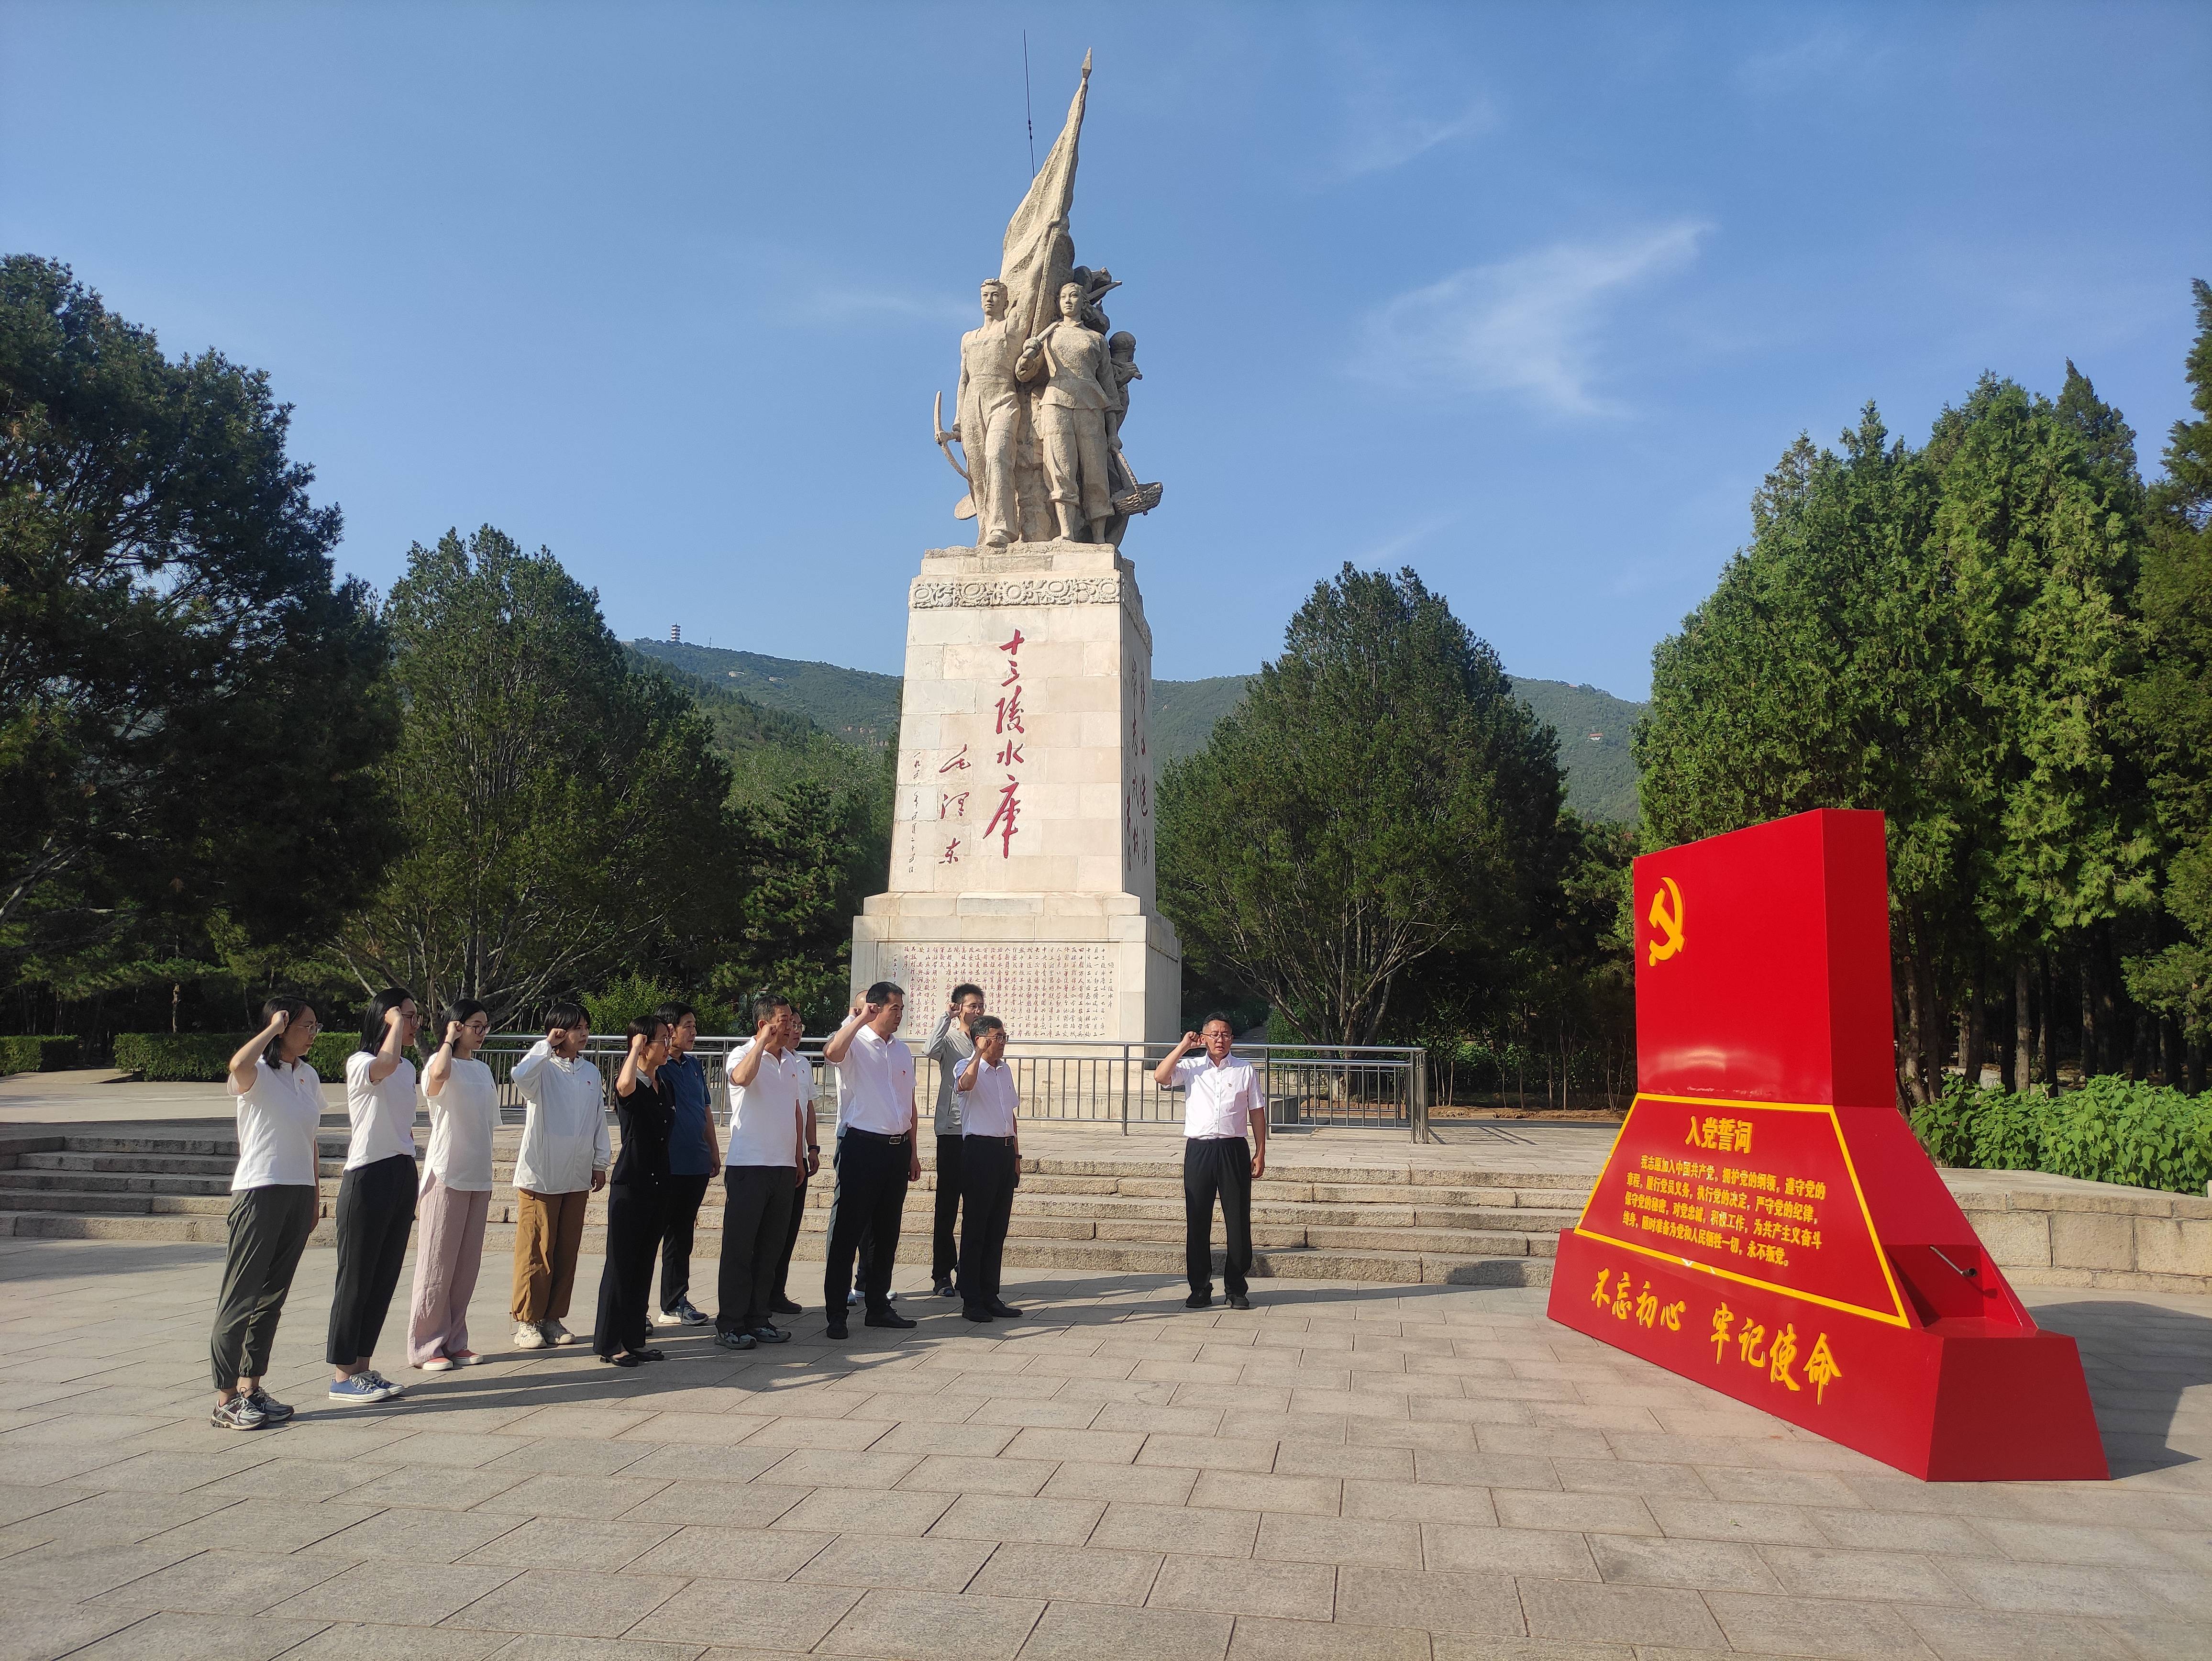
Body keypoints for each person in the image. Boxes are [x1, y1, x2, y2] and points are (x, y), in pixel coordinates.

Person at [209, 999, 322, 1429]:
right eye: (305, 1026)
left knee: (272, 1299)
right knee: (241, 1298)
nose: (313, 1033)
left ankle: (250, 1388)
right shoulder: (258, 1073)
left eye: (316, 1026)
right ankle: (225, 1398)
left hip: (297, 1192)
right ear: (281, 1028)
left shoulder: (307, 1076)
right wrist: (271, 1028)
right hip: (258, 1191)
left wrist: (314, 1197)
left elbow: (310, 1140)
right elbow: (237, 1063)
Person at [327, 988, 420, 1403]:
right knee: (357, 1278)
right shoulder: (363, 1063)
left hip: (401, 1169)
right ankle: (343, 1374)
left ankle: (363, 1367)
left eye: (416, 1017)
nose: (415, 1024)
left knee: (384, 1276)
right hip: (367, 1174)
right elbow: (383, 1063)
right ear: (386, 1020)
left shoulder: (408, 1068)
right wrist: (396, 1023)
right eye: (407, 1017)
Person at [820, 981, 921, 1339]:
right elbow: (831, 1053)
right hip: (861, 1147)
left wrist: (912, 1150)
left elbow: (908, 1103)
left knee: (886, 1233)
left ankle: (878, 1305)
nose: (900, 1016)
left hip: (896, 1149)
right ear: (876, 1008)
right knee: (848, 1232)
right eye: (896, 1009)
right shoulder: (854, 1043)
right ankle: (835, 1314)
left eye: (901, 1009)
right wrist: (861, 1019)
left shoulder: (902, 1051)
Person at [509, 1002, 610, 1349]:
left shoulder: (590, 1072)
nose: (583, 1033)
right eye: (576, 1027)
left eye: (586, 1027)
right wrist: (544, 1045)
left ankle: (552, 1317)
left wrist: (600, 1161)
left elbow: (599, 1119)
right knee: (537, 1250)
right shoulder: (542, 1069)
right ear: (558, 1031)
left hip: (577, 1174)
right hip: (542, 1174)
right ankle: (527, 1320)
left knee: (566, 1251)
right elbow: (519, 1077)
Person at [716, 994, 810, 1351]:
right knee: (741, 1249)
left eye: (791, 1020)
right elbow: (740, 1079)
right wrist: (761, 1044)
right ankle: (730, 1323)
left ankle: (759, 1318)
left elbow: (796, 1110)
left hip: (784, 1166)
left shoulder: (792, 1062)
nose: (791, 1026)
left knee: (770, 1249)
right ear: (764, 1024)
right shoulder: (742, 1054)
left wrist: (799, 1156)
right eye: (784, 1020)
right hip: (749, 1166)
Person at [1154, 1014, 1267, 1311]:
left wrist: (1260, 1152)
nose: (1221, 1040)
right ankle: (1200, 1288)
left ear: (1232, 1038)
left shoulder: (1246, 1070)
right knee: (1198, 1220)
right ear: (1204, 1038)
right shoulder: (1191, 1068)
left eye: (1226, 1034)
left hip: (1233, 1149)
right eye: (1214, 1034)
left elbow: (1257, 1112)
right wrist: (1183, 1046)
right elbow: (1161, 1076)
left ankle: (1236, 1287)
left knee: (1238, 1220)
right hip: (1200, 1151)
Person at [408, 999, 497, 1371]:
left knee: (465, 1267)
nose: (481, 1033)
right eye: (475, 1026)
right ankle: (426, 1347)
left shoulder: (484, 1070)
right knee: (436, 1265)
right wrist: (447, 1040)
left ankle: (456, 1340)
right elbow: (436, 1081)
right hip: (446, 1173)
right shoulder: (439, 1061)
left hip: (479, 1173)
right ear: (457, 1026)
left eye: (485, 1026)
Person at [594, 1015, 674, 1367]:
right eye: (662, 1040)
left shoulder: (663, 1085)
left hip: (659, 1183)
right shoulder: (631, 1083)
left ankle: (634, 1339)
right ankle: (610, 1343)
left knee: (643, 1264)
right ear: (643, 1044)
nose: (668, 1046)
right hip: (631, 1184)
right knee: (621, 1265)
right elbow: (624, 1086)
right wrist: (635, 1049)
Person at [1015, 280, 1120, 541]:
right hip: (1055, 402)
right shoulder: (1048, 335)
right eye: (1063, 297)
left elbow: (1109, 388)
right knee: (1060, 468)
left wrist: (1113, 431)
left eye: (1074, 296)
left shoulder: (1096, 339)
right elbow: (1023, 375)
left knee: (1095, 471)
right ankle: (1066, 532)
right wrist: (1029, 355)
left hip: (1091, 405)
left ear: (1084, 303)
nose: (1069, 301)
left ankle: (1099, 537)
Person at [653, 1001, 719, 1328]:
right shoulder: (655, 1066)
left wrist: (714, 1150)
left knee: (682, 1237)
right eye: (687, 1026)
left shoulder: (694, 1066)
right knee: (650, 1236)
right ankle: (634, 1309)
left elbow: (705, 1109)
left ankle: (675, 1301)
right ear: (668, 1030)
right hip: (665, 1165)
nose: (693, 1032)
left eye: (694, 1025)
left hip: (695, 1162)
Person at [954, 1015, 1022, 1323]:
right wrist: (978, 1054)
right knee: (976, 1227)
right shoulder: (965, 1066)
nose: (1002, 1041)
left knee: (997, 1228)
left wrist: (1017, 1155)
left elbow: (1010, 1114)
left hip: (1005, 1152)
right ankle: (971, 1298)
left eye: (1004, 1036)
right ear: (981, 1039)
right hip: (979, 1150)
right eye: (997, 1037)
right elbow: (964, 1086)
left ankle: (991, 1293)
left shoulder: (1005, 1070)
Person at [924, 984, 985, 1298]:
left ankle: (968, 1270)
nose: (977, 1011)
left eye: (981, 1006)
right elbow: (929, 1050)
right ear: (960, 1007)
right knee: (946, 1206)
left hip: (978, 1131)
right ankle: (941, 1273)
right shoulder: (949, 1039)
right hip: (951, 1130)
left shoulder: (984, 1040)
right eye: (972, 1006)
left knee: (974, 1206)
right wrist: (943, 1019)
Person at [767, 1011, 821, 1317]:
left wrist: (812, 1148)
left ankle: (777, 1290)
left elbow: (809, 1108)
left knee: (789, 1228)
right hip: (773, 1156)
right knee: (770, 1231)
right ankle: (760, 1293)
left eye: (799, 1025)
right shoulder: (758, 1059)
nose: (795, 1030)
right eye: (790, 1024)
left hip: (798, 1155)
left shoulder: (801, 1063)